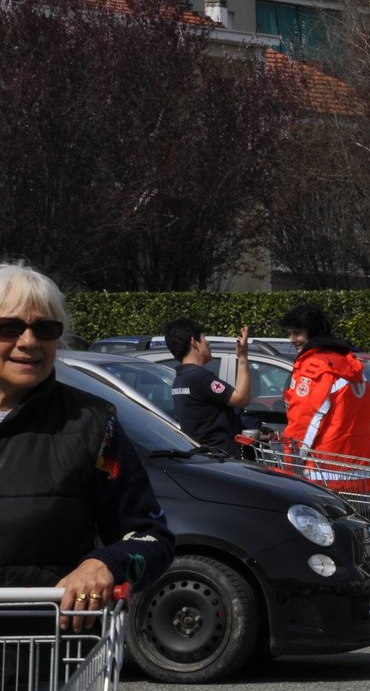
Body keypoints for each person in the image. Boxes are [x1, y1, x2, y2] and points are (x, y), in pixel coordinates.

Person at [0, 263, 174, 631]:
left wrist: (105, 563)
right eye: (9, 327)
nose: (29, 341)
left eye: (45, 329)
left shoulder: (93, 425)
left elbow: (150, 537)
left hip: (46, 667)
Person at [278, 303, 370, 492]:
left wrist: (291, 462)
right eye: (290, 333)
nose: (292, 339)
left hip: (322, 470)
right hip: (356, 467)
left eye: (297, 333)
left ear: (313, 333)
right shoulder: (347, 364)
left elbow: (306, 419)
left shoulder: (315, 368)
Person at [164, 318, 252, 456]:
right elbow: (241, 398)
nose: (208, 343)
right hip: (220, 457)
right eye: (204, 338)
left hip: (202, 456)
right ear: (193, 342)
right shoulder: (200, 377)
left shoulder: (180, 379)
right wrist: (243, 358)